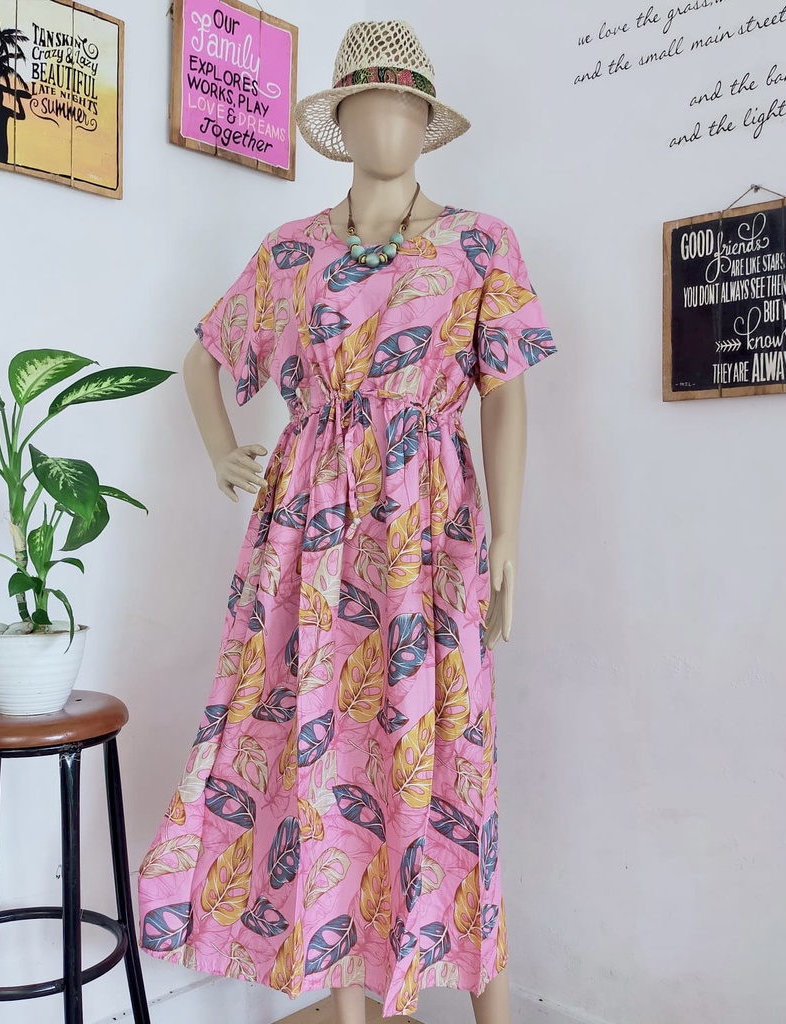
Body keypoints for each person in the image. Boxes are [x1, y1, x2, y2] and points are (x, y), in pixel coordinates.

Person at [138, 20, 556, 1024]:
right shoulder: (290, 252)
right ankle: (351, 999)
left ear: (427, 122)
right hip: (306, 535)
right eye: (371, 105)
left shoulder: (479, 243)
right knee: (318, 750)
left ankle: (470, 999)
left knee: (447, 750)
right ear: (343, 120)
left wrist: (507, 536)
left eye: (407, 107)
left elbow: (506, 394)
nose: (390, 123)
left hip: (428, 528)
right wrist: (221, 451)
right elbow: (202, 357)